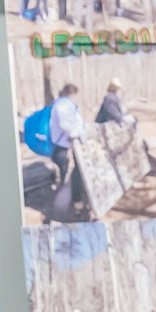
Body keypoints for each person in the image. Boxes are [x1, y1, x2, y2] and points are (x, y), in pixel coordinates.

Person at [49, 83, 87, 218]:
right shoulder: (64, 106)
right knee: (68, 182)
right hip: (64, 150)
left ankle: (73, 206)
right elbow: (67, 126)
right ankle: (61, 213)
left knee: (69, 180)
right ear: (71, 94)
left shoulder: (62, 104)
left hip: (64, 149)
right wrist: (79, 134)